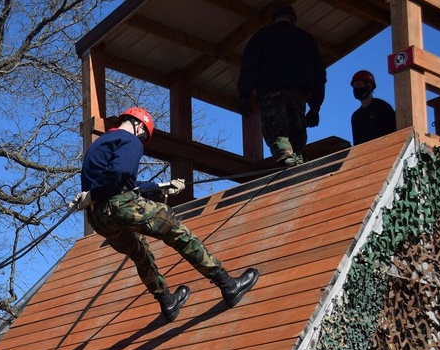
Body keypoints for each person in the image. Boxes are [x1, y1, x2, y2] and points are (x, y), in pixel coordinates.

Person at [75, 106, 258, 323]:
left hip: (99, 217)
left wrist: (161, 187)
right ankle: (228, 285)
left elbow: (124, 184)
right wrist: (98, 192)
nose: (141, 139)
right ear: (138, 124)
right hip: (118, 205)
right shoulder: (130, 140)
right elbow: (120, 174)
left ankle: (167, 302)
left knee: (140, 252)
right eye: (143, 135)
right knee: (177, 231)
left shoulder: (100, 144)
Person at [237, 2, 327, 167]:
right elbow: (319, 75)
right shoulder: (306, 39)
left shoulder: (261, 37)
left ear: (275, 18)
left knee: (276, 130)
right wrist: (315, 107)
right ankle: (298, 160)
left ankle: (287, 159)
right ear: (292, 18)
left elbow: (250, 67)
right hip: (299, 94)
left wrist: (244, 95)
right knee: (296, 132)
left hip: (272, 93)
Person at [350, 70, 396, 145]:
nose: (355, 89)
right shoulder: (356, 117)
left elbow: (395, 132)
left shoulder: (382, 107)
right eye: (354, 86)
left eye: (358, 85)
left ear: (369, 86)